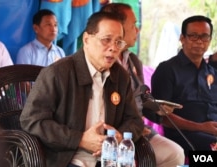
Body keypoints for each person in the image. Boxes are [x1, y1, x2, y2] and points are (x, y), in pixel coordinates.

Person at [20, 11, 144, 167]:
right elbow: (32, 120)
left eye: (118, 42)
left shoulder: (121, 76)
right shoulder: (58, 73)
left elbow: (134, 120)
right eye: (106, 40)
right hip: (68, 159)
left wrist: (118, 137)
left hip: (109, 159)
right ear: (86, 39)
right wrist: (79, 139)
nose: (113, 48)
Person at [100, 3, 185, 167]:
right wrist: (130, 129)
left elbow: (141, 98)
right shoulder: (100, 60)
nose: (137, 30)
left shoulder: (133, 61)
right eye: (133, 25)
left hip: (137, 130)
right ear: (116, 25)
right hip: (113, 132)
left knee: (175, 154)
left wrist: (157, 108)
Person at [151, 15, 217, 156]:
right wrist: (202, 127)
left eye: (204, 36)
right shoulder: (167, 70)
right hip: (183, 136)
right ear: (182, 38)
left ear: (210, 40)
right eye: (193, 36)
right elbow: (162, 116)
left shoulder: (212, 73)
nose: (199, 41)